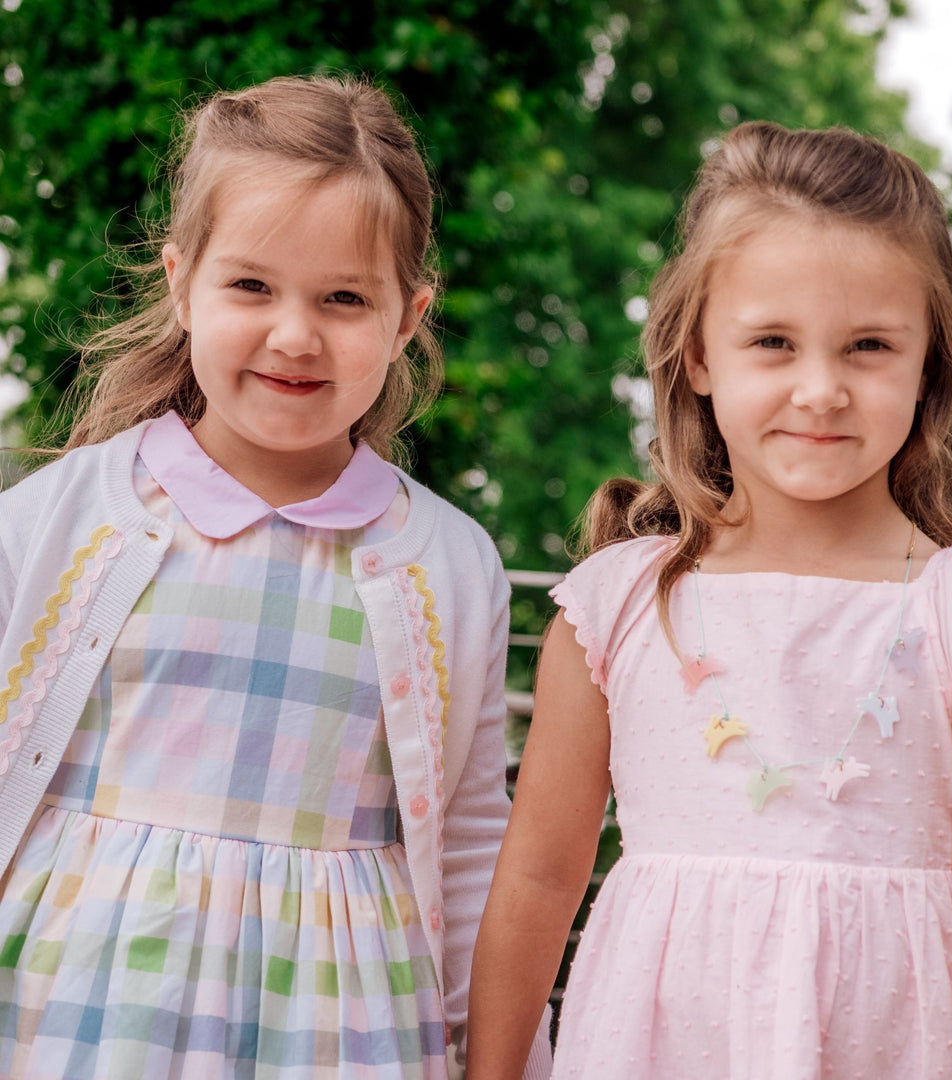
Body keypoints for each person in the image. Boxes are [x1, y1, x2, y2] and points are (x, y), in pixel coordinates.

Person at [467, 121, 952, 1079]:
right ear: (700, 356)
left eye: (869, 345)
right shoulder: (617, 607)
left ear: (929, 365)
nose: (822, 390)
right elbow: (541, 879)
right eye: (773, 343)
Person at [0, 74, 551, 1079]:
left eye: (345, 298)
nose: (295, 335)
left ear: (408, 314)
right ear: (181, 281)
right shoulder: (62, 520)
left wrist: (503, 1060)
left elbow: (474, 846)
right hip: (78, 1004)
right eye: (252, 287)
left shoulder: (450, 565)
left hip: (340, 1023)